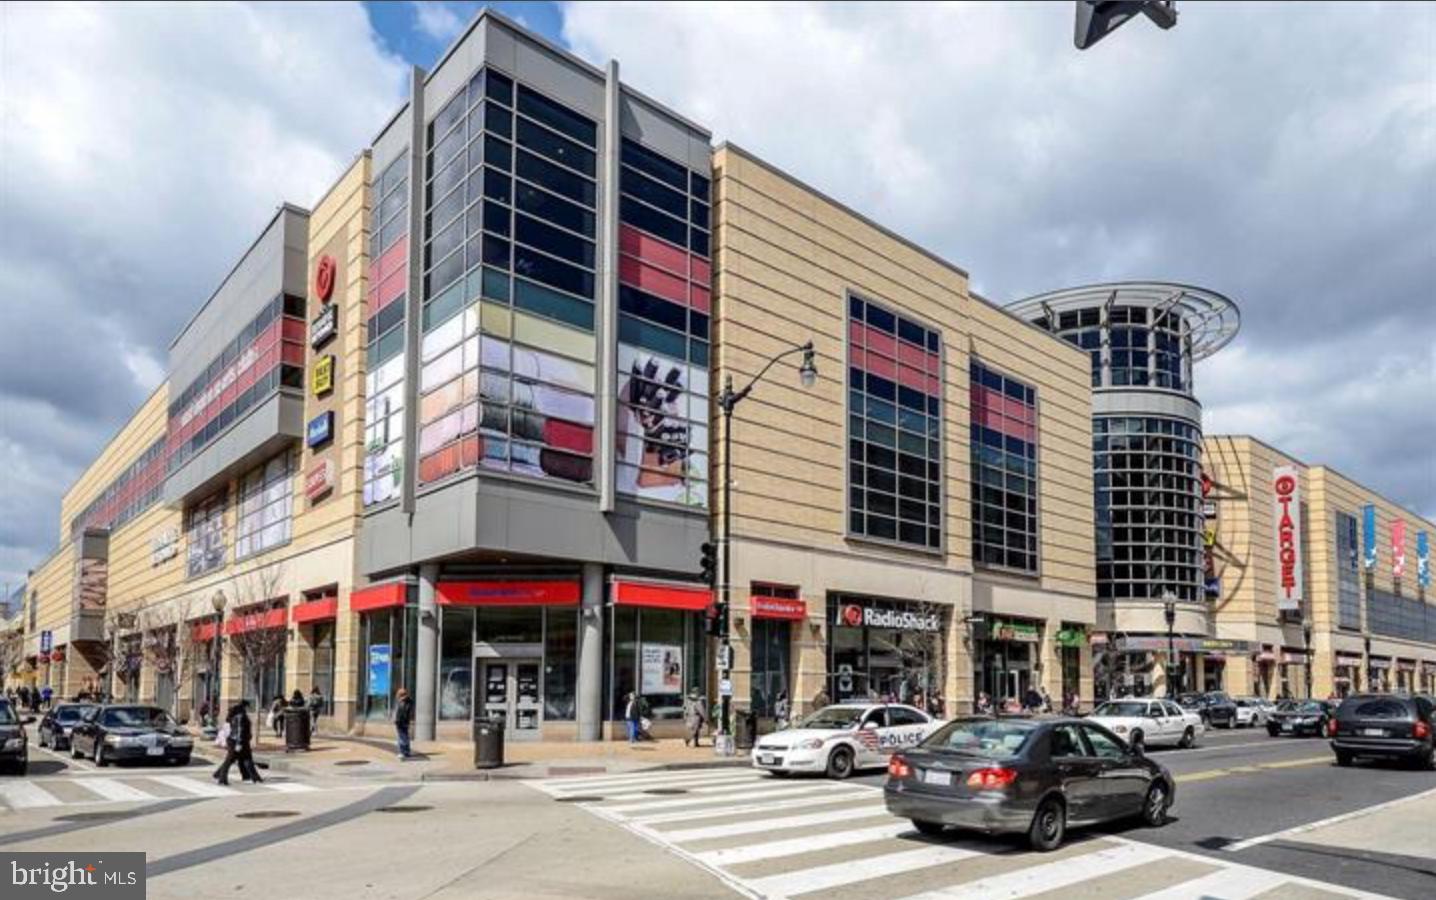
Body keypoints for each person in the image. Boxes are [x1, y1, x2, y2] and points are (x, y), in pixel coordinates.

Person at [393, 687, 414, 760]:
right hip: (404, 721)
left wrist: (395, 720)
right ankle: (407, 751)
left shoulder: (402, 702)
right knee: (405, 736)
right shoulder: (408, 701)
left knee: (402, 737)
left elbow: (398, 712)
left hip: (401, 721)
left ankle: (402, 752)